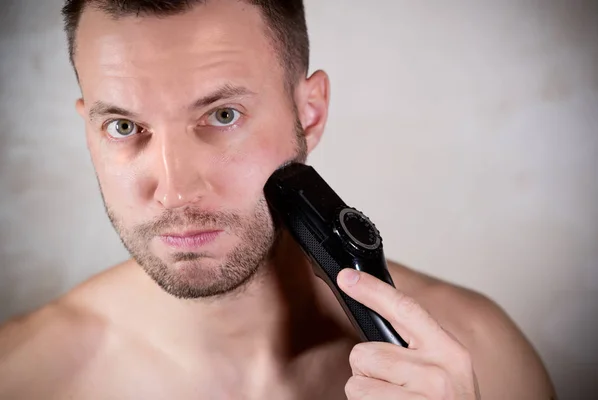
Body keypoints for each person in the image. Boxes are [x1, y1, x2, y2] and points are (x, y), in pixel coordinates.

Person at [0, 1, 556, 398]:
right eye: (123, 126)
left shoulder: (480, 358)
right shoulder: (22, 375)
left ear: (309, 114)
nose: (173, 190)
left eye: (222, 115)